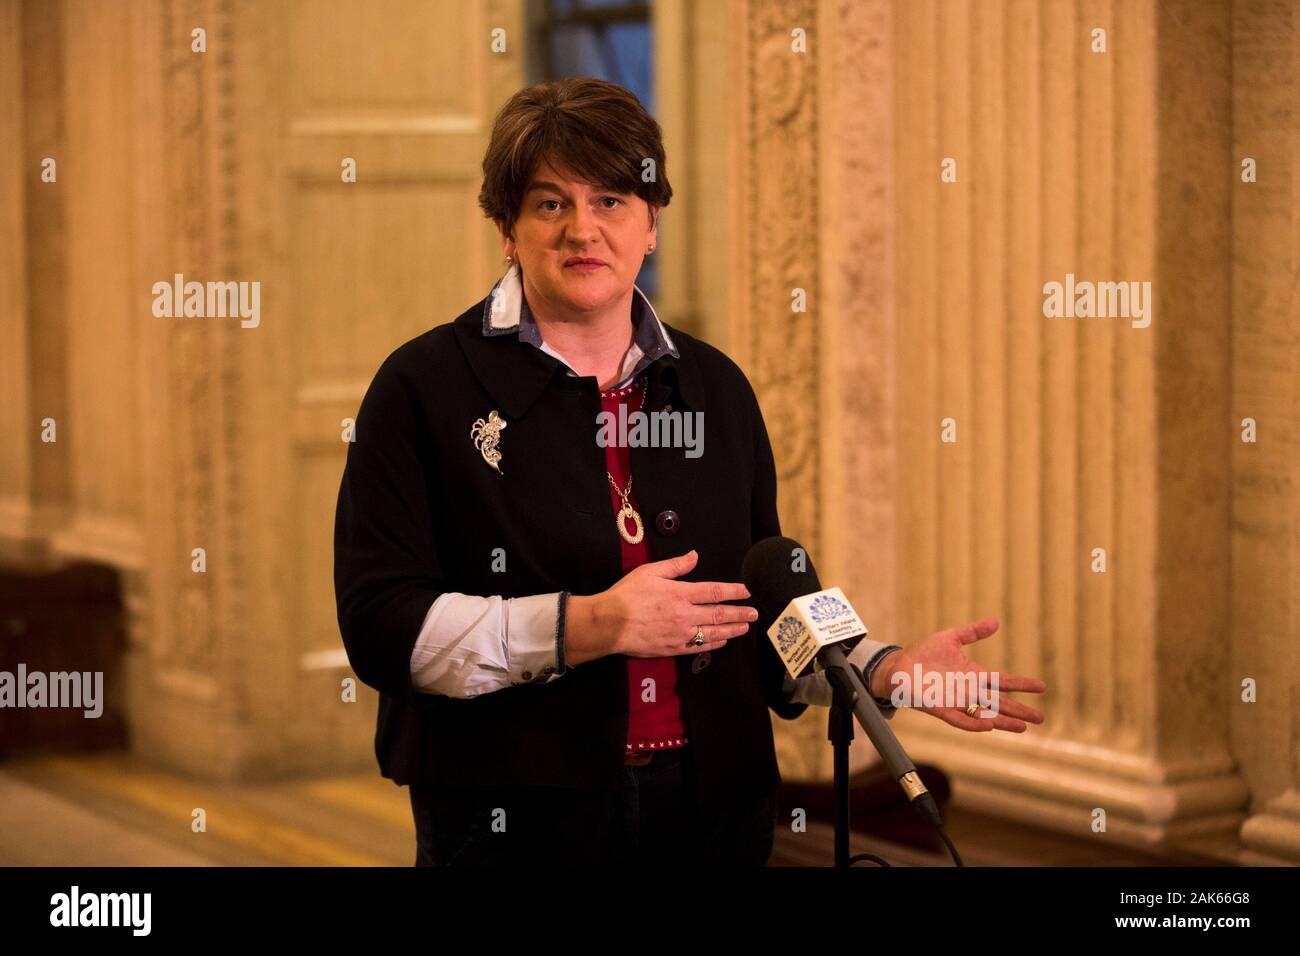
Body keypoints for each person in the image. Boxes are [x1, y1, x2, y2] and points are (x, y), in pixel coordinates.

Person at [333, 77, 1046, 867]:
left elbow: (763, 609)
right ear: (506, 228)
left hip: (716, 813)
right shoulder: (422, 388)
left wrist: (889, 671)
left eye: (611, 201)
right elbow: (383, 629)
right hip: (513, 823)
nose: (583, 230)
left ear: (652, 224)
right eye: (549, 204)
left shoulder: (715, 388)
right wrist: (588, 626)